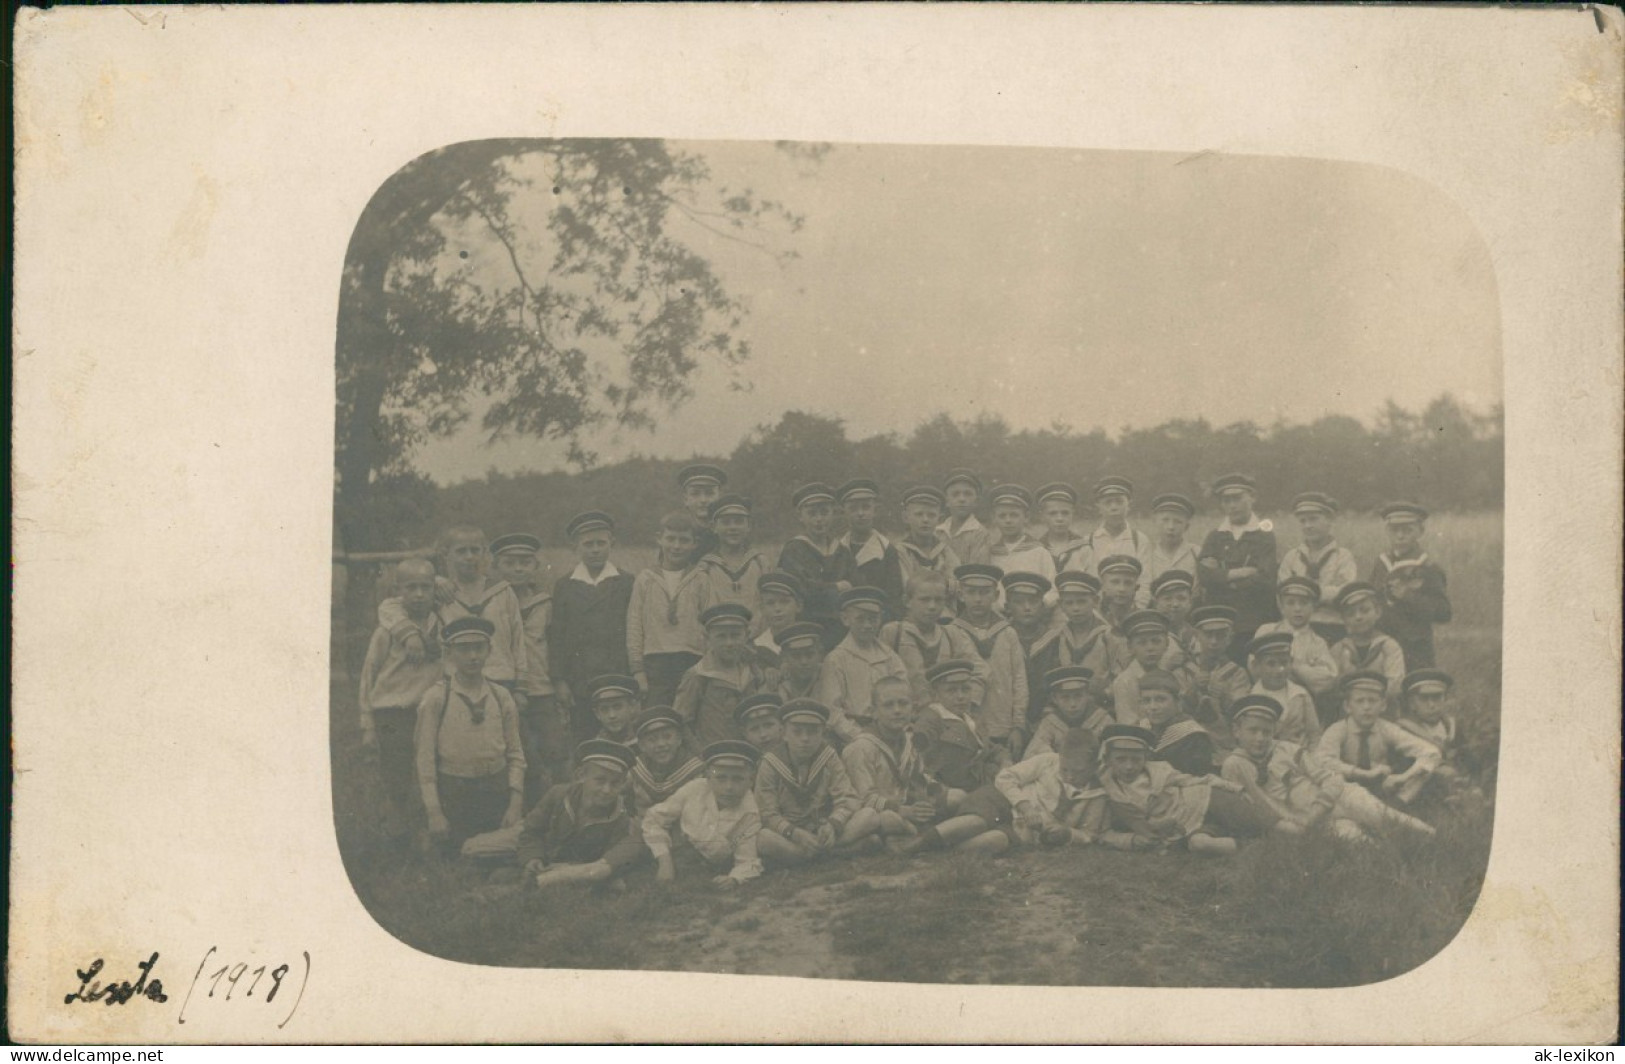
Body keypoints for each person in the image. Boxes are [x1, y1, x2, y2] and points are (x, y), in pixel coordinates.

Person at [1222, 694, 1434, 840]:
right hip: (1305, 821)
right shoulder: (1235, 765)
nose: (1260, 738)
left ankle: (1433, 837)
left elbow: (1331, 779)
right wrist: (1296, 824)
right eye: (1253, 731)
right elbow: (1255, 804)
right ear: (1236, 730)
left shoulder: (1287, 749)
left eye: (1266, 732)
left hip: (1338, 798)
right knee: (1358, 844)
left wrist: (1316, 811)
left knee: (1390, 819)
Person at [415, 617, 526, 852]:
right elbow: (425, 761)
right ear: (449, 653)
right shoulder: (436, 699)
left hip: (496, 792)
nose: (473, 656)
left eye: (479, 648)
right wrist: (434, 812)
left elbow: (516, 754)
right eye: (464, 649)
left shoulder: (501, 696)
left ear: (489, 650)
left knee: (501, 854)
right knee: (456, 857)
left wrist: (515, 805)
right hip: (455, 795)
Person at [381, 524, 527, 699]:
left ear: (485, 552)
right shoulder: (438, 593)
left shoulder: (502, 591)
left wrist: (520, 687)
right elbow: (389, 606)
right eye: (461, 551)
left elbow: (518, 641)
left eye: (475, 550)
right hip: (455, 682)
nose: (469, 557)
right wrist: (410, 634)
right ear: (445, 554)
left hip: (501, 680)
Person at [358, 557, 444, 837]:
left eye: (425, 587)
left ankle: (426, 829)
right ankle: (396, 833)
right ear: (399, 591)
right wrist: (367, 722)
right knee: (396, 774)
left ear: (434, 589)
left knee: (429, 771)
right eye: (411, 588)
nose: (419, 595)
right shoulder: (388, 630)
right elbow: (369, 675)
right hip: (392, 711)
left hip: (428, 710)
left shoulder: (442, 624)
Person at [899, 660, 1015, 855]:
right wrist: (941, 792)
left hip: (976, 789)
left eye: (965, 689)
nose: (961, 697)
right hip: (945, 796)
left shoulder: (970, 718)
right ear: (936, 694)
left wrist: (1005, 760)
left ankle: (947, 846)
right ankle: (935, 839)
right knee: (982, 803)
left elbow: (990, 748)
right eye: (952, 691)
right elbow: (914, 764)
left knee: (999, 815)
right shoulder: (931, 719)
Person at [1095, 724, 1266, 855]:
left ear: (1145, 758)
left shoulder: (1159, 772)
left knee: (1256, 823)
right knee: (1199, 844)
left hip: (1205, 800)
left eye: (1136, 759)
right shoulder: (1106, 789)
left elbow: (1196, 780)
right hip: (1183, 828)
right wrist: (1131, 840)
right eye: (1121, 759)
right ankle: (1256, 847)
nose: (1129, 766)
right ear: (1108, 760)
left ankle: (1271, 836)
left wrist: (1236, 788)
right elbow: (1103, 833)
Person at [754, 699, 881, 864]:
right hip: (791, 833)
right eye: (797, 732)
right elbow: (767, 813)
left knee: (870, 815)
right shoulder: (770, 763)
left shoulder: (828, 757)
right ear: (784, 733)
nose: (805, 739)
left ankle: (807, 856)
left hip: (823, 829)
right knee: (764, 838)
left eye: (813, 732)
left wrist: (833, 825)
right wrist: (795, 833)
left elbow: (847, 798)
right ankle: (834, 853)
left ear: (823, 733)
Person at [490, 532, 566, 804]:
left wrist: (558, 682)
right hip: (505, 692)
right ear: (496, 567)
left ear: (535, 566)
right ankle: (526, 807)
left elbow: (557, 645)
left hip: (541, 689)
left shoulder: (545, 604)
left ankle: (561, 804)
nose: (518, 568)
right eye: (510, 563)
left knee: (555, 749)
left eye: (525, 562)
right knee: (519, 755)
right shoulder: (490, 604)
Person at [549, 511, 635, 745]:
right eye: (588, 544)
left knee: (624, 738)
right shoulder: (565, 585)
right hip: (581, 680)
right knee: (584, 739)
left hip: (618, 674)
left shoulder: (627, 582)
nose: (595, 549)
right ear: (575, 547)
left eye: (601, 543)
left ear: (612, 544)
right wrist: (559, 680)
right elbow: (556, 635)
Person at [518, 739, 647, 891]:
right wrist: (533, 857)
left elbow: (604, 864)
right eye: (600, 780)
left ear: (623, 784)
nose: (607, 790)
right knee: (488, 847)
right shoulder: (558, 795)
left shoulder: (620, 818)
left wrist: (569, 868)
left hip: (571, 867)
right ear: (581, 775)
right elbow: (531, 831)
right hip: (543, 848)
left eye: (615, 783)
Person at [644, 739, 765, 890]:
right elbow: (653, 819)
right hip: (674, 848)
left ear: (750, 781)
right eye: (721, 778)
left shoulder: (749, 813)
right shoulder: (694, 789)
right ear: (708, 777)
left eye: (738, 779)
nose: (728, 787)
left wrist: (734, 879)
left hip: (710, 863)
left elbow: (747, 859)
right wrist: (664, 860)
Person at [841, 676, 940, 848]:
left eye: (903, 703)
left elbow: (918, 777)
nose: (897, 710)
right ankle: (908, 835)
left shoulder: (909, 740)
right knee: (888, 819)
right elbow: (863, 797)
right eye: (888, 705)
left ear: (913, 708)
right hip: (871, 813)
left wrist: (933, 794)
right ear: (873, 712)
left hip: (905, 807)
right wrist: (904, 811)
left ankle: (890, 839)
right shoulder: (861, 747)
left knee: (954, 797)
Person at [1316, 670, 1440, 804]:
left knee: (1424, 768)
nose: (1366, 707)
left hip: (1382, 789)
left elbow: (1431, 752)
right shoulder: (1338, 730)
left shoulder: (1387, 728)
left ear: (1383, 705)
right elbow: (1322, 761)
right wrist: (1363, 774)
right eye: (1359, 701)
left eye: (1372, 701)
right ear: (1347, 706)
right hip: (1347, 790)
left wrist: (1402, 778)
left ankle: (1399, 803)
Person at [627, 510, 711, 709]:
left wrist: (707, 666)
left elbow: (709, 627)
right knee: (658, 719)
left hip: (692, 661)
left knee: (690, 717)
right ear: (659, 539)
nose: (676, 546)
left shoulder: (701, 579)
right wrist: (638, 671)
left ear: (694, 543)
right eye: (670, 539)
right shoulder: (645, 579)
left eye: (683, 540)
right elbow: (634, 627)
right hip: (655, 665)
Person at [949, 564, 1029, 751]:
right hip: (967, 725)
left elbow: (1019, 681)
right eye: (971, 592)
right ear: (961, 595)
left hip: (1002, 726)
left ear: (995, 595)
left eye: (984, 593)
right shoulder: (952, 632)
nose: (978, 599)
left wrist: (1018, 726)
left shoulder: (1008, 633)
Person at [1197, 474, 1278, 656]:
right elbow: (1204, 576)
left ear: (1252, 498)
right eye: (1226, 500)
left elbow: (1265, 579)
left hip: (1254, 622)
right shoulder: (1215, 536)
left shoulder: (1264, 535)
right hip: (1220, 624)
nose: (1232, 505)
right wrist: (1241, 573)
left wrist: (1222, 576)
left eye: (1237, 498)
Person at [882, 571, 989, 709]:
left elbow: (980, 669)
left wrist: (969, 702)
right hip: (906, 718)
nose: (932, 606)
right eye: (924, 600)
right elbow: (882, 678)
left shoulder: (952, 634)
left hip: (946, 719)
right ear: (907, 601)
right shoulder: (894, 633)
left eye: (938, 600)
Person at [673, 603, 770, 747]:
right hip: (714, 757)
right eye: (721, 636)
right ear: (708, 638)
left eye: (735, 635)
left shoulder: (753, 669)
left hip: (750, 755)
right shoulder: (698, 676)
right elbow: (681, 723)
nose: (729, 643)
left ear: (746, 635)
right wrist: (701, 754)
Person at [821, 587, 909, 746]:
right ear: (845, 619)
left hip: (891, 731)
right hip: (853, 737)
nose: (867, 625)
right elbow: (832, 712)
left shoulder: (890, 657)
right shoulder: (836, 659)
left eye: (873, 619)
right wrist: (860, 737)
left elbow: (904, 695)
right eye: (860, 619)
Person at [1027, 571, 1115, 726]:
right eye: (1069, 603)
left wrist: (1105, 695)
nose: (1075, 608)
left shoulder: (1108, 636)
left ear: (1095, 601)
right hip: (1065, 709)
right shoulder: (1056, 638)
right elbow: (1046, 679)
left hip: (1102, 708)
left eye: (1081, 602)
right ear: (1061, 605)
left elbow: (1119, 676)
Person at [1372, 502, 1453, 670]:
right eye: (1395, 530)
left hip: (1414, 647)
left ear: (1420, 531)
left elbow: (1444, 612)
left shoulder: (1428, 567)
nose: (1400, 535)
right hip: (1383, 641)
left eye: (1407, 530)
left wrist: (1408, 596)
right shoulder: (1381, 563)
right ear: (1387, 531)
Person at [997, 727, 1109, 848]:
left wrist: (1068, 833)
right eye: (1064, 769)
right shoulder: (1048, 761)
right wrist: (1025, 806)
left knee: (995, 839)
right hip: (1006, 804)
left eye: (1078, 772)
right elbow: (1005, 777)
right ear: (1060, 756)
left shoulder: (1097, 795)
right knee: (977, 821)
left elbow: (1090, 834)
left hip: (1026, 831)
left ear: (1095, 766)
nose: (1070, 777)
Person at [777, 482, 855, 649]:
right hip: (808, 627)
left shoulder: (842, 551)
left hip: (841, 627)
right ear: (800, 516)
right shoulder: (795, 549)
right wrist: (836, 587)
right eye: (812, 514)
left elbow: (853, 586)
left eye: (824, 512)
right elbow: (802, 590)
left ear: (833, 513)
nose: (819, 519)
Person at [1255, 575, 1341, 726]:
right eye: (1290, 603)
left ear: (1314, 607)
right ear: (1280, 606)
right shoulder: (1267, 630)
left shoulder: (1317, 643)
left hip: (1299, 705)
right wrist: (1307, 671)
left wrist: (1294, 665)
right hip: (1265, 697)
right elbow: (1254, 667)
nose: (1297, 609)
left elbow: (1327, 679)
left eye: (1304, 603)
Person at [1278, 492, 1358, 643]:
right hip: (1297, 626)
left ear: (1329, 520)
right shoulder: (1292, 558)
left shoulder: (1343, 556)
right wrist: (1325, 592)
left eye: (1314, 519)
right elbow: (1282, 594)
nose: (1308, 525)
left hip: (1333, 626)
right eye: (1303, 521)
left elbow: (1344, 593)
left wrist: (1303, 593)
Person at [1394, 668, 1471, 803]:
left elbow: (1465, 756)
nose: (1432, 705)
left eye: (1437, 698)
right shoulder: (1404, 730)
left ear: (1445, 699)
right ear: (1412, 704)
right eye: (1424, 699)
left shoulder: (1451, 726)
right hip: (1422, 784)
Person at [696, 494, 770, 631]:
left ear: (749, 526)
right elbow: (703, 609)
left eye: (738, 521)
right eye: (726, 522)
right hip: (720, 638)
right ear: (713, 527)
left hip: (757, 638)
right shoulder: (705, 567)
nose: (733, 527)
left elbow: (767, 605)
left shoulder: (760, 563)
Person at [1177, 605, 1252, 739]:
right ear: (1197, 635)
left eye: (1221, 636)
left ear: (1230, 638)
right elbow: (1175, 710)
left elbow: (1242, 716)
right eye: (1208, 635)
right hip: (1188, 738)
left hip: (1224, 738)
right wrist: (1193, 689)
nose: (1214, 642)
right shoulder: (1183, 669)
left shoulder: (1237, 673)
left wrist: (1224, 695)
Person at [839, 478, 906, 620]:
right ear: (844, 512)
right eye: (853, 508)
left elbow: (894, 598)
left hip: (879, 620)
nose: (860, 513)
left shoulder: (887, 550)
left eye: (866, 507)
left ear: (875, 510)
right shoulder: (838, 549)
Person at [1329, 582, 1407, 704]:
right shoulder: (1338, 650)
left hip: (1384, 712)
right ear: (1343, 620)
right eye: (1351, 614)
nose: (1358, 617)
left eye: (1365, 611)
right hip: (1348, 713)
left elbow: (1395, 686)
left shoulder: (1389, 647)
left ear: (1378, 612)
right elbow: (1332, 684)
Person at [1246, 630, 1322, 750]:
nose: (1279, 670)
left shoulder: (1301, 695)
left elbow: (1314, 735)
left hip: (1299, 759)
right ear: (1257, 666)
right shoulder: (1251, 698)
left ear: (1291, 663)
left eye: (1284, 663)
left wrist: (1311, 759)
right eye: (1271, 664)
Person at [628, 706, 706, 814]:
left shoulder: (696, 773)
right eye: (652, 739)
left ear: (679, 739)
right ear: (641, 745)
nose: (661, 744)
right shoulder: (635, 769)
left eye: (667, 737)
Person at [1023, 665, 1110, 760]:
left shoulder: (1103, 720)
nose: (1073, 704)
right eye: (1065, 697)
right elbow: (1033, 756)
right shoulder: (1050, 723)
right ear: (1054, 699)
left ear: (1087, 695)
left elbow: (1111, 757)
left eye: (1078, 696)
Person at [1109, 610, 1180, 726]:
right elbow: (1128, 723)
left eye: (1156, 641)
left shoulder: (1173, 673)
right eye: (1142, 643)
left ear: (1167, 644)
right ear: (1130, 647)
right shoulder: (1124, 682)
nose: (1150, 648)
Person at [1085, 477, 1150, 601]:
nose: (1114, 507)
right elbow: (1087, 582)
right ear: (1099, 506)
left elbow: (1145, 582)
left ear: (1129, 504)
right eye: (1108, 502)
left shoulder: (1140, 540)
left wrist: (1136, 610)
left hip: (1131, 608)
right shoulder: (1088, 541)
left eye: (1119, 501)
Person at [1142, 670, 1217, 775]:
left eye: (1161, 699)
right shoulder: (1142, 729)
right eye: (1146, 701)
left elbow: (1198, 780)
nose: (1153, 707)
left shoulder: (1193, 736)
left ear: (1178, 701)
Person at [987, 484, 1057, 594]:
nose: (1008, 520)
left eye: (1014, 515)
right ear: (994, 518)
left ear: (1026, 517)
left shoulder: (1039, 553)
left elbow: (1052, 589)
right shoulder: (991, 554)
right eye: (1002, 516)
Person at [896, 484, 963, 598]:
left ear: (939, 519)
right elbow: (908, 587)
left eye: (931, 515)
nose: (925, 520)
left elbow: (958, 585)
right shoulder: (901, 551)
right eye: (919, 514)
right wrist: (944, 584)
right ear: (906, 517)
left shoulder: (945, 551)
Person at [1142, 493, 1202, 599]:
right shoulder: (1146, 552)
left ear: (1186, 526)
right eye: (1165, 520)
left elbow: (1198, 590)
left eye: (1178, 522)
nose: (1171, 527)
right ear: (1155, 521)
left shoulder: (1197, 553)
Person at [750, 570, 806, 671]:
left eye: (784, 602)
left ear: (799, 605)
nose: (777, 609)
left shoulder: (810, 642)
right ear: (762, 609)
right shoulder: (756, 647)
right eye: (770, 603)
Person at [937, 468, 993, 566]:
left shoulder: (980, 534)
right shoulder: (937, 532)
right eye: (955, 494)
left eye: (968, 494)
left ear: (976, 501)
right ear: (946, 501)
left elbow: (976, 572)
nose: (962, 499)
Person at [770, 621, 833, 703]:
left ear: (820, 654)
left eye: (810, 655)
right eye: (796, 656)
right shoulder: (775, 683)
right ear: (784, 658)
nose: (804, 662)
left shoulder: (831, 678)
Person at [1035, 482, 1089, 574]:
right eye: (1053, 513)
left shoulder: (1084, 548)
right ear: (1042, 516)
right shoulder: (1035, 548)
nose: (1059, 519)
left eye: (1065, 513)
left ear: (1073, 514)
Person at [1096, 554, 1144, 657]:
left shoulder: (1142, 620)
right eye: (1115, 582)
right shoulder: (1092, 617)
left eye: (1128, 583)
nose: (1121, 589)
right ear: (1102, 585)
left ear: (1136, 587)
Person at [678, 463, 727, 561]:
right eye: (695, 493)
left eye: (709, 493)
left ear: (720, 497)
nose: (703, 500)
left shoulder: (730, 535)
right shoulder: (677, 537)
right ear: (685, 499)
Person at [1149, 569, 1200, 661]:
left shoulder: (1197, 636)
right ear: (1156, 604)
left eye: (1181, 598)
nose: (1175, 604)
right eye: (1167, 599)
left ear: (1190, 602)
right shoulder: (1149, 637)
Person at [584, 674, 642, 746]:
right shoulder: (596, 748)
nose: (612, 715)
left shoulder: (644, 743)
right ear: (597, 714)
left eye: (617, 707)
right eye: (604, 709)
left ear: (632, 706)